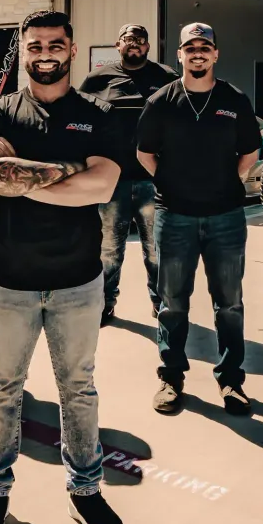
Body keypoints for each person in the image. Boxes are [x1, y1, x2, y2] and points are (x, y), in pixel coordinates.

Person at [0, 8, 123, 524]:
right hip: (8, 279)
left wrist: (25, 176)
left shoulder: (96, 113)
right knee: (1, 388)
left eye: (55, 44)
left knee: (77, 391)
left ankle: (86, 492)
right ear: (23, 50)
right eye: (34, 45)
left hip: (78, 280)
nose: (45, 54)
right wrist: (66, 169)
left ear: (72, 50)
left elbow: (103, 186)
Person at [137, 23, 261, 417]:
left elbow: (249, 153)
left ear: (215, 54)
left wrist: (227, 184)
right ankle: (171, 377)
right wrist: (172, 184)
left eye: (204, 47)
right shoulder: (161, 101)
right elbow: (144, 153)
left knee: (230, 304)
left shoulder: (234, 100)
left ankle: (231, 381)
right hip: (174, 217)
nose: (197, 54)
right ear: (179, 55)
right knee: (172, 303)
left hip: (225, 217)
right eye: (190, 47)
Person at [78, 23, 175, 325]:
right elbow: (80, 121)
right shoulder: (97, 79)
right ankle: (105, 304)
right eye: (128, 39)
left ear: (148, 47)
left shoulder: (167, 78)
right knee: (108, 250)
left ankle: (161, 305)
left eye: (140, 40)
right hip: (112, 182)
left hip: (154, 180)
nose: (134, 44)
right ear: (117, 45)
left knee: (157, 250)